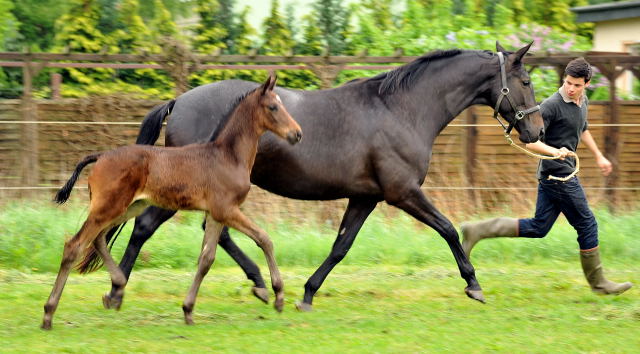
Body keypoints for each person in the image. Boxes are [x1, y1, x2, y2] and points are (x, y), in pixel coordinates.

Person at [460, 57, 632, 295]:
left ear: (587, 84)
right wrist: (555, 151)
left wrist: (599, 156)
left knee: (539, 227)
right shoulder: (551, 106)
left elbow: (582, 129)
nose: (571, 88)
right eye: (568, 82)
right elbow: (530, 141)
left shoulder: (582, 102)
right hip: (559, 177)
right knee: (587, 224)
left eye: (577, 85)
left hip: (556, 176)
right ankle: (600, 284)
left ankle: (477, 230)